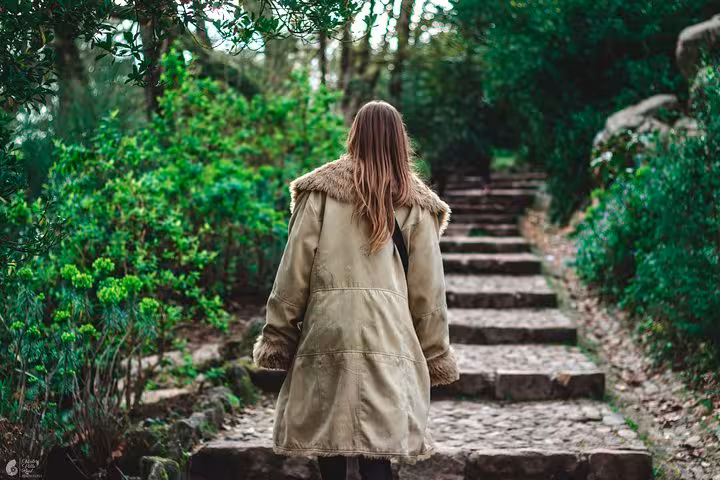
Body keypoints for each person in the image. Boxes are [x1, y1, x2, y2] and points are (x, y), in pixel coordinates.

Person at [252, 100, 460, 480]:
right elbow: (428, 293)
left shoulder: (319, 194)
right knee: (377, 453)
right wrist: (435, 353)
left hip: (327, 329)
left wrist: (278, 334)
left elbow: (292, 273)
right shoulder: (417, 206)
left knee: (328, 444)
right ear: (400, 141)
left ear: (354, 136)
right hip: (388, 335)